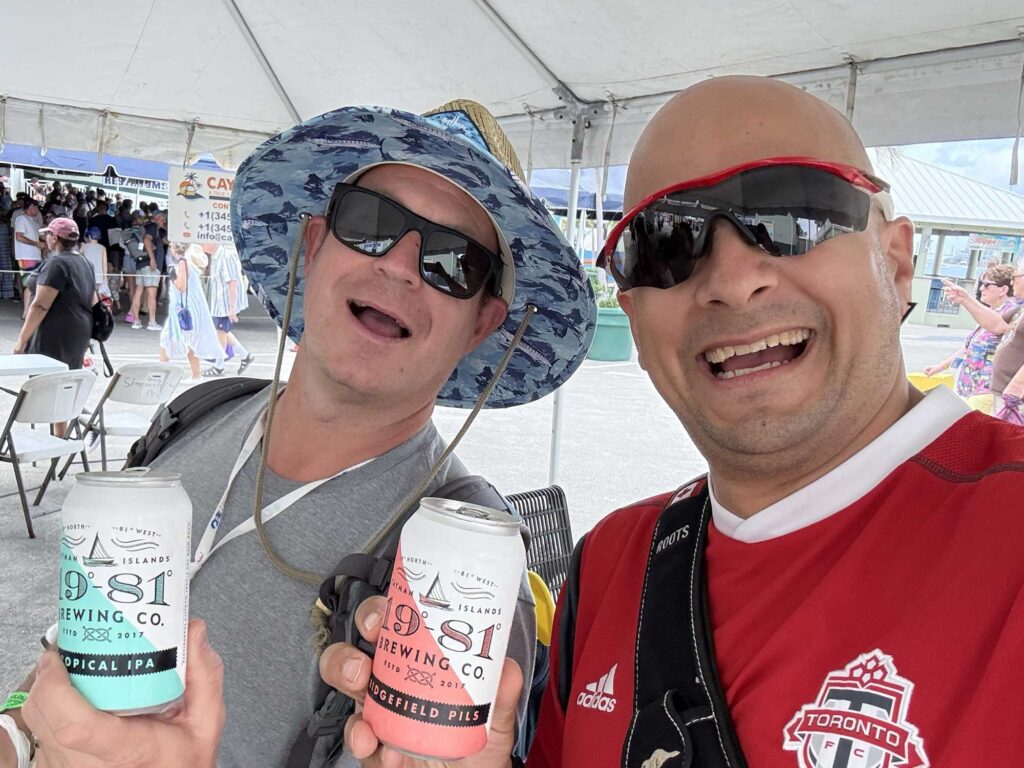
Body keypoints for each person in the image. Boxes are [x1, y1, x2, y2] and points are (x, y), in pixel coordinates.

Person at [8, 99, 596, 768]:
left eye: (452, 261)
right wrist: (16, 731)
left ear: (482, 324)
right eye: (372, 223)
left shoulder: (458, 585)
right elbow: (72, 654)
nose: (402, 264)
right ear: (315, 247)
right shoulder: (197, 414)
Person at [13, 217, 98, 437]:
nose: (46, 238)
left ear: (55, 238)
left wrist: (22, 340)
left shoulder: (56, 263)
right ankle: (61, 435)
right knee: (63, 384)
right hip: (78, 329)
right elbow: (94, 299)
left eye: (48, 234)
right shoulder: (84, 262)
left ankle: (74, 426)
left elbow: (40, 305)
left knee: (49, 385)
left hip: (55, 331)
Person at [923, 265, 1017, 409]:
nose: (981, 289)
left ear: (1003, 290)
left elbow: (999, 325)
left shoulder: (1012, 311)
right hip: (970, 389)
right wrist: (940, 367)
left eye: (986, 285)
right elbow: (969, 348)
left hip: (986, 390)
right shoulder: (990, 312)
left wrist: (966, 299)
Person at [159, 244, 225, 382]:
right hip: (191, 307)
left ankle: (161, 373)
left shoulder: (182, 263)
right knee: (190, 341)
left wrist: (172, 277)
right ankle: (196, 374)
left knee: (166, 338)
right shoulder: (191, 265)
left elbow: (181, 286)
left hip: (182, 308)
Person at [203, 244, 255, 376]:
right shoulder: (216, 257)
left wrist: (231, 308)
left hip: (225, 303)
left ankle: (219, 367)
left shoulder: (226, 256)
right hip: (220, 303)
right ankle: (245, 355)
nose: (202, 245)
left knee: (220, 331)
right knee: (222, 331)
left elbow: (233, 282)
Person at [123, 209, 159, 328]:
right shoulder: (145, 230)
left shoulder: (126, 232)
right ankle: (152, 322)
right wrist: (152, 258)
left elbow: (122, 246)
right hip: (147, 262)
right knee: (151, 293)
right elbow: (148, 242)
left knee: (137, 292)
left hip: (136, 262)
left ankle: (135, 320)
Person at [12, 199, 42, 318]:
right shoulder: (21, 219)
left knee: (34, 284)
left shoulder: (34, 223)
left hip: (35, 255)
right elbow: (19, 237)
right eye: (36, 207)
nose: (38, 210)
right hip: (26, 256)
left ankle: (29, 311)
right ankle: (26, 312)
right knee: (29, 284)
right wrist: (36, 244)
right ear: (31, 207)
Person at [81, 226, 111, 301]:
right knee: (98, 294)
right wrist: (105, 277)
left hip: (86, 276)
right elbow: (104, 264)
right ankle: (99, 309)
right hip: (99, 277)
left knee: (88, 295)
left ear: (89, 236)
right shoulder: (103, 248)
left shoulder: (84, 247)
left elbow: (78, 258)